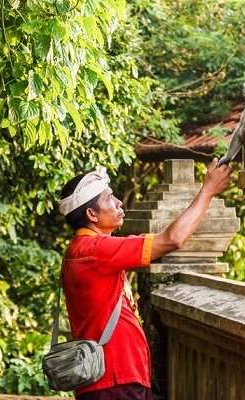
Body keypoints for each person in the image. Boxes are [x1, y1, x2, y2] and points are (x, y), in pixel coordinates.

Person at [57, 159, 232, 400]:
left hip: (108, 381)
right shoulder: (95, 250)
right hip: (117, 380)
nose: (118, 202)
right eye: (109, 199)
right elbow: (172, 239)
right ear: (91, 214)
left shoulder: (80, 250)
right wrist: (208, 191)